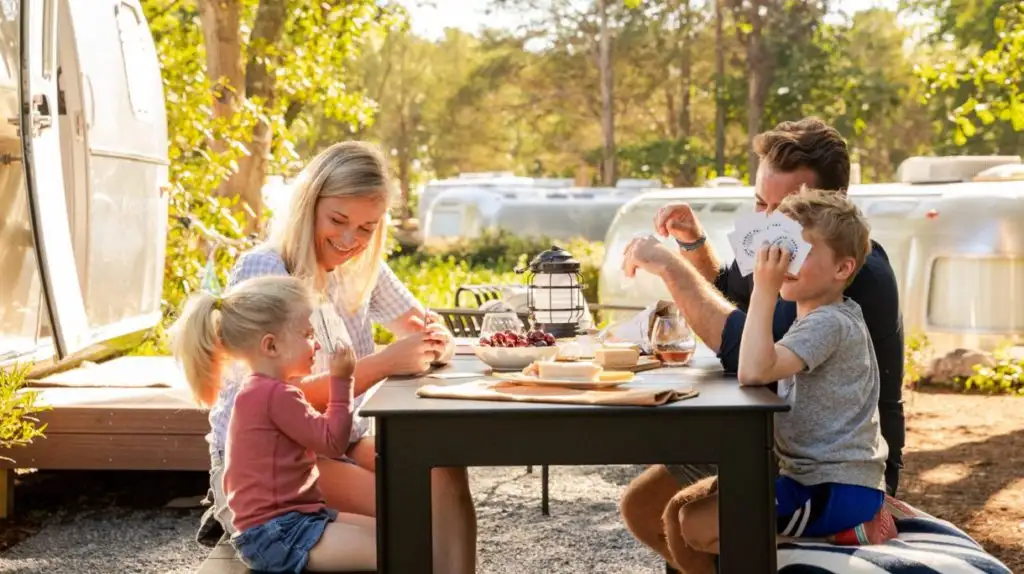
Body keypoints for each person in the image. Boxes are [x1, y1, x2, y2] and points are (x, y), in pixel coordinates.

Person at [618, 118, 904, 564]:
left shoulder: (847, 276)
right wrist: (693, 246)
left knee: (681, 515)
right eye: (760, 204)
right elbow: (733, 296)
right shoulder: (791, 251)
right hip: (780, 444)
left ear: (830, 203)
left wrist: (671, 269)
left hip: (830, 465)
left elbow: (744, 355)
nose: (770, 224)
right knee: (648, 508)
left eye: (787, 206)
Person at [200, 141, 476, 573]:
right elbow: (263, 406)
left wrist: (435, 337)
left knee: (442, 468)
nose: (350, 240)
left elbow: (418, 323)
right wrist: (385, 363)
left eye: (367, 228)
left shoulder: (358, 267)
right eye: (338, 221)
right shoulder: (268, 269)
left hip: (337, 438)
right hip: (271, 465)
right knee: (408, 513)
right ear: (309, 206)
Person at [661, 188, 891, 573]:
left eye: (801, 251)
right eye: (783, 247)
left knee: (696, 523)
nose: (784, 260)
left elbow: (754, 370)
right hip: (807, 479)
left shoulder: (830, 322)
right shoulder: (816, 318)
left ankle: (847, 531)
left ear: (842, 269)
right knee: (688, 509)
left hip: (833, 487)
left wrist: (766, 289)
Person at [173, 275, 377, 572]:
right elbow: (333, 442)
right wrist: (342, 379)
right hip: (277, 534)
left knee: (391, 535)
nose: (317, 344)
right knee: (389, 551)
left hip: (285, 523)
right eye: (308, 334)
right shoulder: (275, 395)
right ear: (270, 346)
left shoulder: (259, 389)